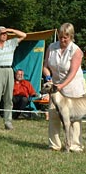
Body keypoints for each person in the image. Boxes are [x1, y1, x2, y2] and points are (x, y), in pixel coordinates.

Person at [43, 22, 85, 152]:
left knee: (74, 119)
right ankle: (54, 145)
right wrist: (48, 77)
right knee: (54, 114)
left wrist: (61, 85)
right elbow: (45, 66)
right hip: (55, 87)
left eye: (65, 37)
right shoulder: (51, 47)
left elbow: (72, 72)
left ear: (71, 36)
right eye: (60, 37)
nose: (62, 40)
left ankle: (74, 145)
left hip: (72, 86)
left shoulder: (76, 50)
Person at [0, 26, 26, 130]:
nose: (5, 35)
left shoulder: (11, 43)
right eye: (2, 33)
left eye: (5, 33)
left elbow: (24, 35)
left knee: (8, 98)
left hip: (9, 70)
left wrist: (10, 30)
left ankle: (8, 122)